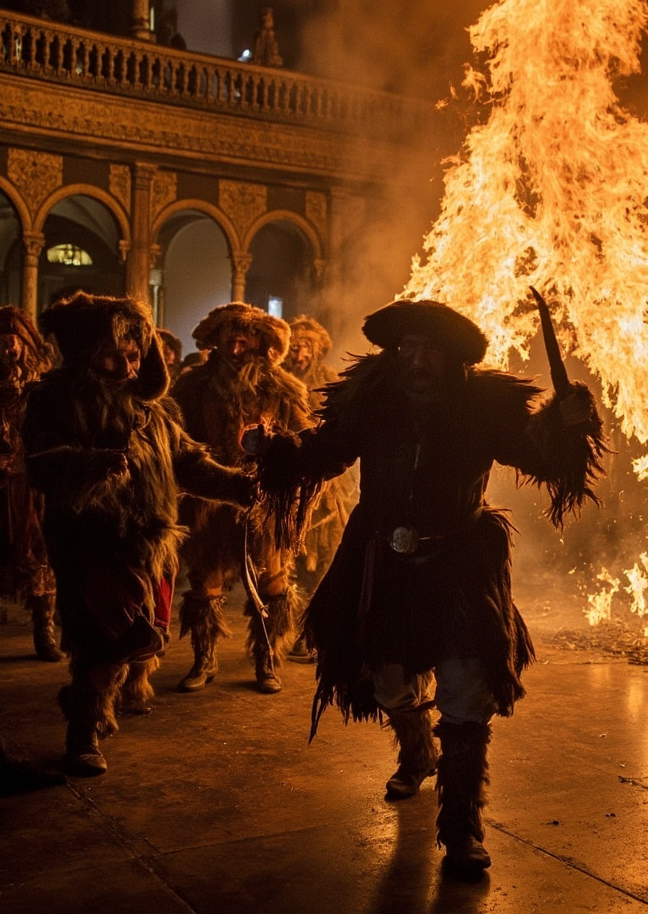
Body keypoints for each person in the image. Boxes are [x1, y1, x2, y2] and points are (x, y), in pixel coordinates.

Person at [258, 298, 605, 874]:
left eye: (429, 350)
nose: (416, 360)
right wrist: (273, 450)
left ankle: (462, 824)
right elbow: (325, 452)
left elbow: (537, 454)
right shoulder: (373, 401)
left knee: (467, 690)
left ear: (451, 359)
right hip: (382, 561)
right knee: (391, 682)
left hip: (459, 560)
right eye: (408, 349)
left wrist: (566, 428)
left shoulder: (484, 406)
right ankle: (416, 750)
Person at [23, 292, 255, 776]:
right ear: (87, 353)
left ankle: (98, 711)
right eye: (114, 355)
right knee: (103, 642)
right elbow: (41, 466)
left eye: (134, 355)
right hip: (92, 544)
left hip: (152, 543)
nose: (127, 367)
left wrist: (239, 487)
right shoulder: (56, 400)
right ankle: (83, 729)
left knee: (136, 641)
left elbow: (188, 462)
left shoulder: (153, 411)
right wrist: (94, 465)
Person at [172, 303, 312, 694]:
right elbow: (177, 436)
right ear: (214, 341)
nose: (235, 348)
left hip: (264, 502)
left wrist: (282, 456)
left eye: (243, 338)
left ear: (259, 342)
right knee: (205, 582)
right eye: (227, 339)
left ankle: (267, 660)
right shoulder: (194, 386)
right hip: (210, 500)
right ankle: (205, 659)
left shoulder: (280, 387)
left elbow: (302, 436)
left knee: (273, 581)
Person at [0, 305, 60, 662]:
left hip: (31, 489)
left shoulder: (40, 384)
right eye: (2, 342)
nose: (10, 348)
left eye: (16, 341)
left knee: (39, 559)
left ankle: (44, 633)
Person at [281, 315, 355, 648]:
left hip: (323, 485)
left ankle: (312, 629)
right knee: (285, 559)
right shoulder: (279, 381)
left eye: (305, 349)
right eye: (294, 349)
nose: (299, 356)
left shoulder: (329, 381)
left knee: (323, 558)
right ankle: (283, 630)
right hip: (286, 479)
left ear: (316, 351)